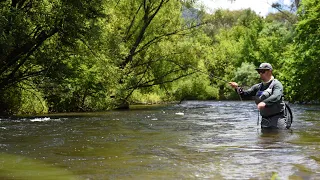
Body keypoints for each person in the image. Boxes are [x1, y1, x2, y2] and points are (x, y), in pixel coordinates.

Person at [229, 63, 288, 130]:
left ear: (270, 72)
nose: (260, 73)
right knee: (264, 139)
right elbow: (245, 94)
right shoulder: (258, 87)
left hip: (278, 118)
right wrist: (237, 88)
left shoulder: (277, 84)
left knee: (279, 138)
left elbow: (276, 96)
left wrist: (264, 103)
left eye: (263, 71)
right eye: (259, 72)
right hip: (265, 119)